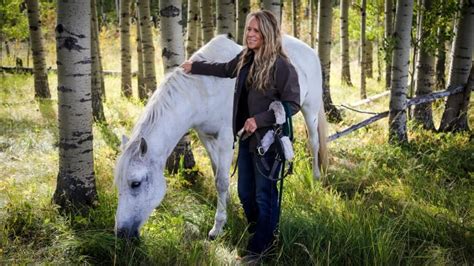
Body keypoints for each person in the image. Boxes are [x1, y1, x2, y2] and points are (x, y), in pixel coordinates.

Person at [181, 10, 300, 258]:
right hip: (246, 138)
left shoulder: (282, 66)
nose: (250, 34)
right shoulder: (247, 58)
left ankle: (260, 247)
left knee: (264, 194)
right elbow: (225, 69)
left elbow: (292, 104)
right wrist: (195, 66)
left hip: (270, 140)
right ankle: (263, 232)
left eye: (256, 30)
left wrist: (260, 119)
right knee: (246, 193)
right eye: (248, 29)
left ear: (267, 34)